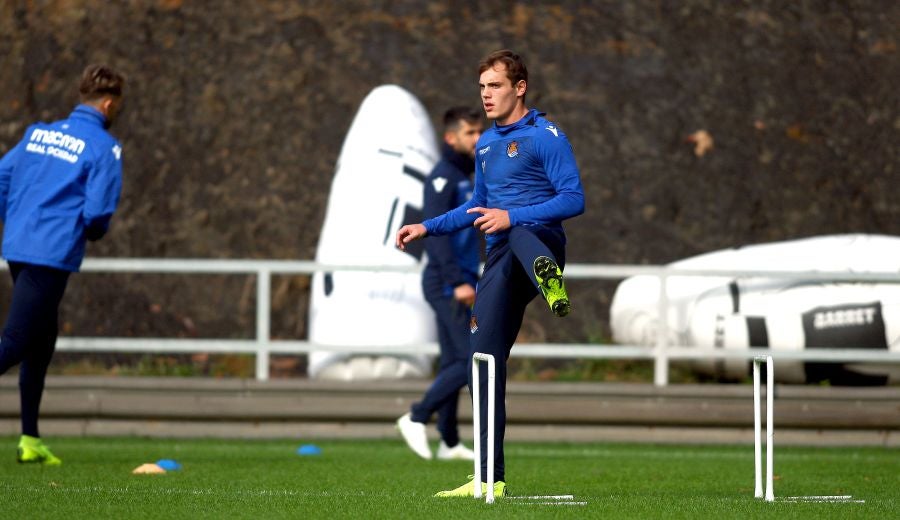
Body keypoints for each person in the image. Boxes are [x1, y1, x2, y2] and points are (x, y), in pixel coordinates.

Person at [396, 49, 585, 497]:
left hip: (540, 245)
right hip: (501, 260)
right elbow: (475, 207)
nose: (486, 94)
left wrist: (512, 215)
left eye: (495, 85)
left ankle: (548, 278)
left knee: (517, 229)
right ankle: (488, 478)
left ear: (519, 88)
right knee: (483, 362)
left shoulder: (547, 136)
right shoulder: (484, 144)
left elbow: (574, 199)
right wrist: (427, 225)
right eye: (482, 86)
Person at [0, 64, 125, 465]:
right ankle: (30, 437)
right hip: (50, 252)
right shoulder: (104, 147)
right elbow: (97, 213)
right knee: (17, 342)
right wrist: (94, 230)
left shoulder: (38, 133)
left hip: (19, 243)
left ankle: (30, 439)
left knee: (41, 342)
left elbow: (2, 176)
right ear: (108, 104)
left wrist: (16, 219)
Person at [396, 107, 483, 461]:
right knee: (467, 358)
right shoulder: (442, 177)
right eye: (471, 133)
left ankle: (448, 441)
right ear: (451, 138)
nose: (478, 139)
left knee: (452, 361)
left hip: (461, 278)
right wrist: (457, 281)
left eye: (480, 132)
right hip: (446, 282)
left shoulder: (469, 174)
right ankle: (416, 415)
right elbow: (435, 236)